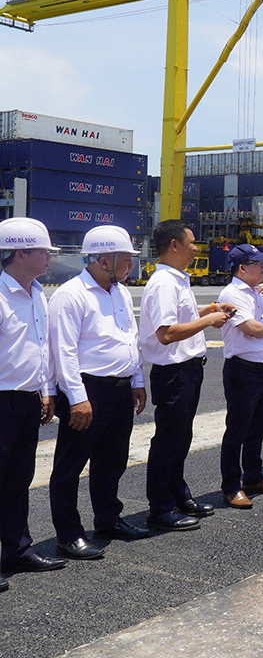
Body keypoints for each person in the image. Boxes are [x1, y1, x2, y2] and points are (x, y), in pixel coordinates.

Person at [48, 225, 149, 559]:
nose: (131, 265)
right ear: (105, 260)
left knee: (112, 461)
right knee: (70, 466)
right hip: (88, 390)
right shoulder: (71, 294)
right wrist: (77, 398)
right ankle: (69, 534)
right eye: (126, 259)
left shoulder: (118, 291)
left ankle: (108, 520)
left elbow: (129, 338)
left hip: (119, 390)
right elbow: (63, 352)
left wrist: (137, 381)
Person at [139, 220, 232, 530]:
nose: (196, 247)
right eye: (191, 242)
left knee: (181, 438)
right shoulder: (164, 283)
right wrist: (209, 321)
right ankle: (160, 507)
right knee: (168, 440)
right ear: (174, 246)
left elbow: (182, 319)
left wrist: (210, 311)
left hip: (187, 371)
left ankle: (179, 496)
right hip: (173, 372)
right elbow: (166, 333)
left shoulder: (178, 279)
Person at [0, 218, 66, 582]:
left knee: (18, 480)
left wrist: (44, 390)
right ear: (21, 253)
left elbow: (38, 347)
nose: (50, 257)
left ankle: (17, 550)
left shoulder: (37, 292)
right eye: (44, 251)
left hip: (26, 400)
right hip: (1, 399)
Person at [218, 244, 263, 508]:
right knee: (237, 429)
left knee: (258, 427)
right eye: (258, 264)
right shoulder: (232, 293)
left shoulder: (260, 292)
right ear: (242, 268)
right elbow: (251, 328)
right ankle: (231, 486)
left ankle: (252, 476)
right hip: (242, 369)